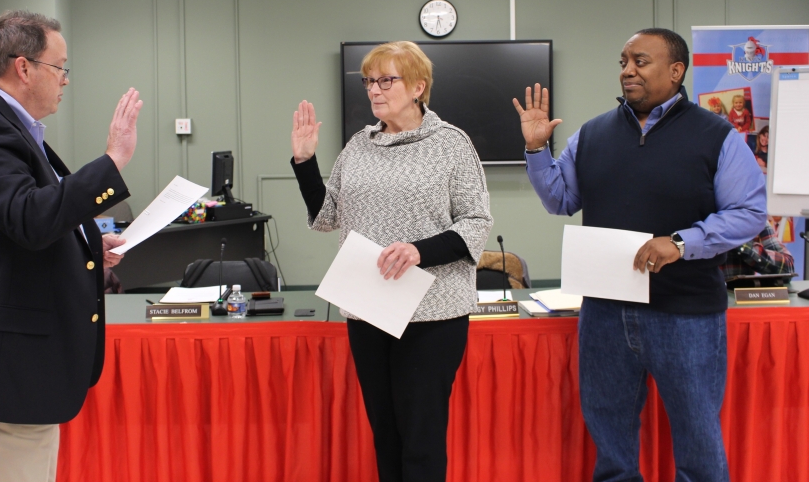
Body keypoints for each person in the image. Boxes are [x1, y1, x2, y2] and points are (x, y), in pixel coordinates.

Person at [513, 28, 766, 482]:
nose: (628, 70)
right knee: (612, 452)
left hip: (686, 316)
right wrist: (536, 149)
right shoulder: (593, 134)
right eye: (624, 61)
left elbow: (749, 213)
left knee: (699, 448)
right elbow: (559, 199)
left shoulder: (716, 135)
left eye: (641, 61)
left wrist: (683, 242)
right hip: (605, 317)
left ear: (676, 71)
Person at [0, 11, 142, 482]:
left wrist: (87, 241)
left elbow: (16, 223)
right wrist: (112, 160)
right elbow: (29, 219)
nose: (66, 80)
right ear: (24, 68)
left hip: (11, 365)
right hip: (7, 367)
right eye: (60, 67)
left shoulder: (3, 124)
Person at [289, 41, 492, 482]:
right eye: (368, 81)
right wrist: (305, 162)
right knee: (386, 433)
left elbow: (476, 222)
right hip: (369, 308)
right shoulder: (359, 146)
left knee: (420, 438)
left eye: (386, 80)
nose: (374, 90)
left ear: (419, 86)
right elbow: (327, 218)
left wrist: (419, 250)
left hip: (433, 313)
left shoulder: (451, 144)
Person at [723, 219, 795, 282]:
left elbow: (787, 270)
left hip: (740, 294)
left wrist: (743, 245)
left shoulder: (754, 220)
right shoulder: (713, 220)